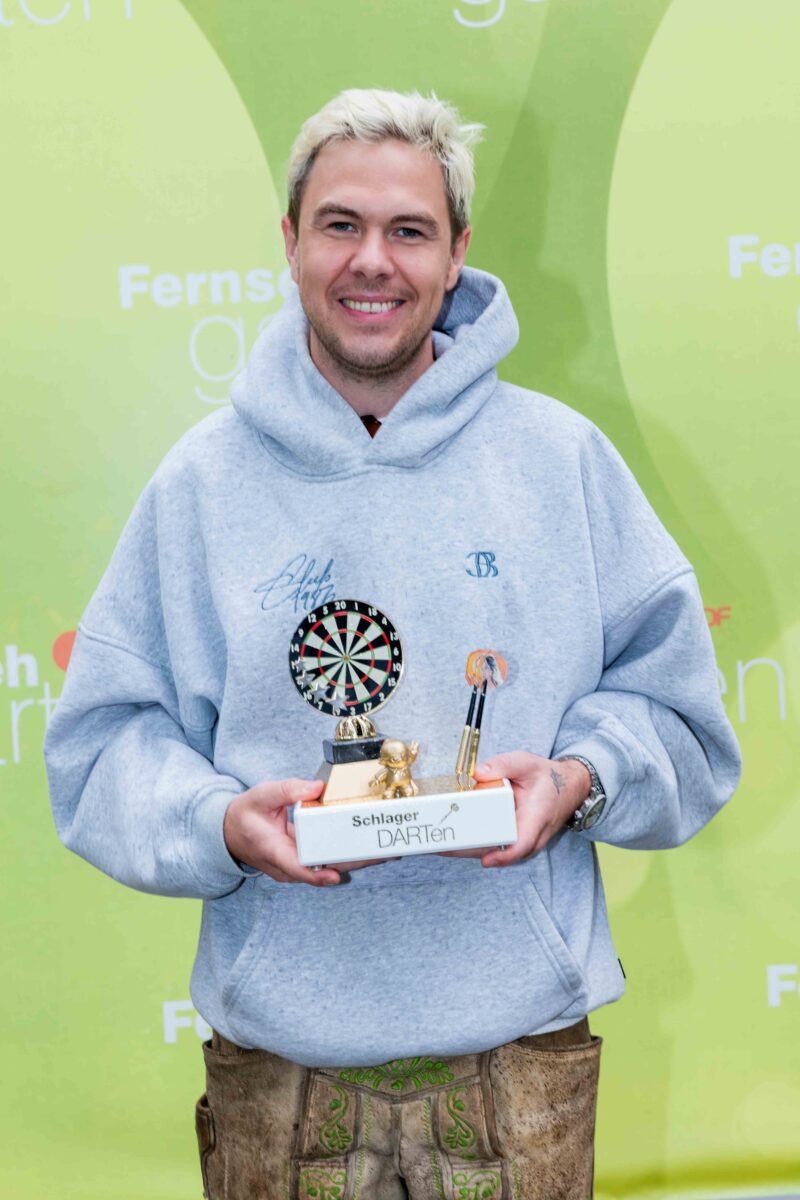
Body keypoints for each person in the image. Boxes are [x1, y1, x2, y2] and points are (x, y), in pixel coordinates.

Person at [44, 89, 741, 1200]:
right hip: (279, 1081)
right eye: (341, 225)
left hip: (521, 1069)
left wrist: (575, 779)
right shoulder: (201, 486)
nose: (372, 261)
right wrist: (221, 823)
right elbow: (99, 753)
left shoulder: (560, 462)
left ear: (457, 253)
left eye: (408, 230)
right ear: (290, 242)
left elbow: (683, 722)